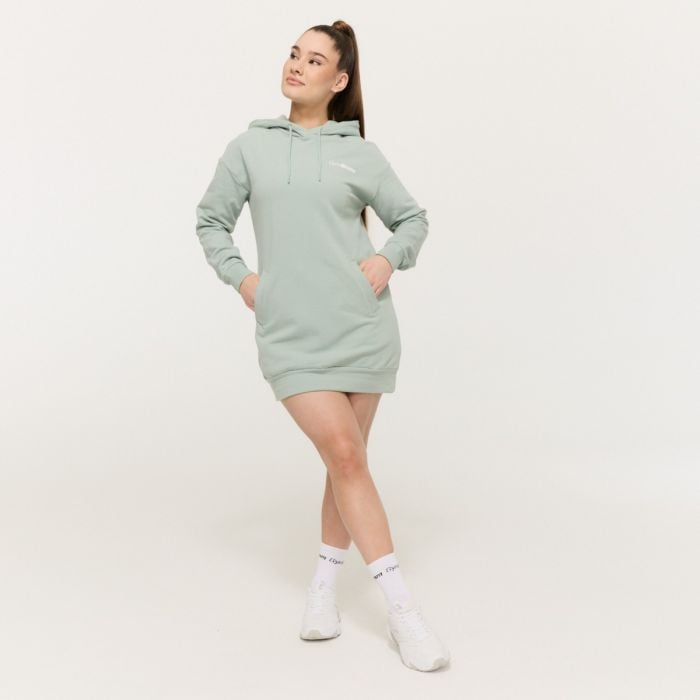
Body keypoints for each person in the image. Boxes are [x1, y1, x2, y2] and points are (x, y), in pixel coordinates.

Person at [195, 20, 450, 672]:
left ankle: (323, 589)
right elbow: (211, 220)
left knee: (346, 462)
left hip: (361, 329)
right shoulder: (249, 148)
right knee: (345, 454)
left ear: (338, 81)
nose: (296, 66)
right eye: (293, 54)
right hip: (291, 334)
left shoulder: (358, 153)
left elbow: (412, 218)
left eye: (313, 61)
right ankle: (403, 611)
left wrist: (388, 258)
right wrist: (243, 279)